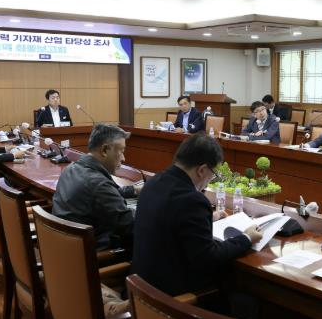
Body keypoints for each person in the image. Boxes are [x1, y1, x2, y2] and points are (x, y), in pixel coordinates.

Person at [131, 134, 262, 297]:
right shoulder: (193, 200)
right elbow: (208, 258)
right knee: (247, 296)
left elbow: (171, 219)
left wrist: (207, 218)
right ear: (202, 170)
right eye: (213, 174)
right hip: (170, 297)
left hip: (141, 285)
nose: (210, 180)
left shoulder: (153, 182)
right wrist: (246, 238)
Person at [52, 124, 139, 252]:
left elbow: (102, 194)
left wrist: (135, 190)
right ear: (104, 150)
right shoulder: (98, 184)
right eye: (121, 151)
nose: (123, 158)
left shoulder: (71, 169)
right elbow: (130, 227)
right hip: (93, 256)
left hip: (66, 249)